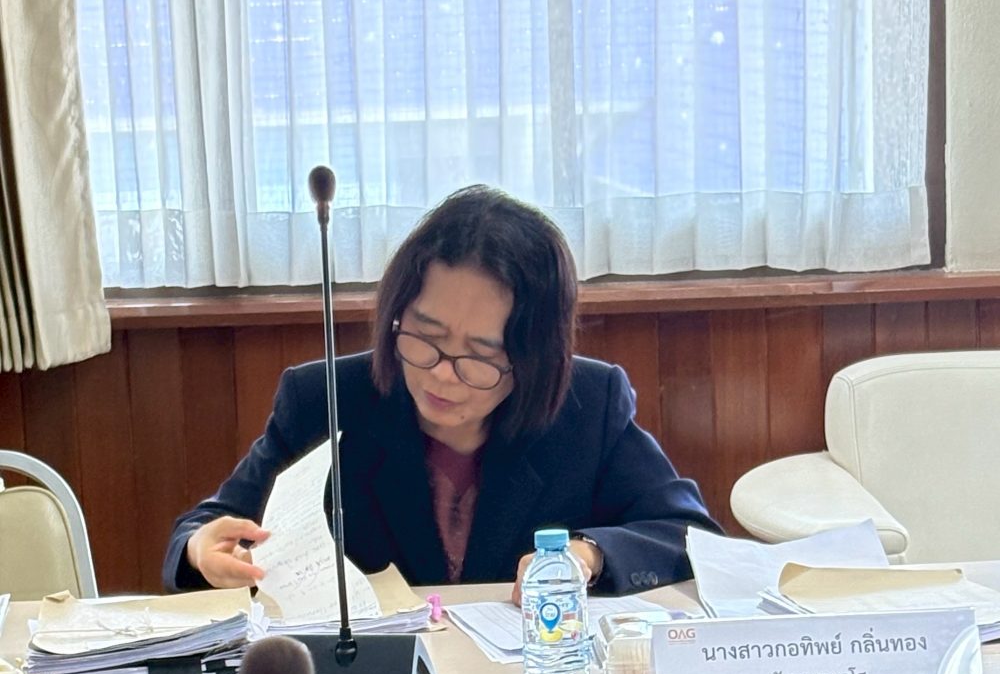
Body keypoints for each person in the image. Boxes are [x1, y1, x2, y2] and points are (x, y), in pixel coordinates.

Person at [162, 185, 722, 602]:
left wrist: (587, 555)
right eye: (425, 338)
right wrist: (200, 549)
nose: (442, 376)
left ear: (533, 357)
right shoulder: (324, 398)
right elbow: (208, 527)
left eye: (479, 355)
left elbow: (690, 535)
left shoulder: (588, 405)